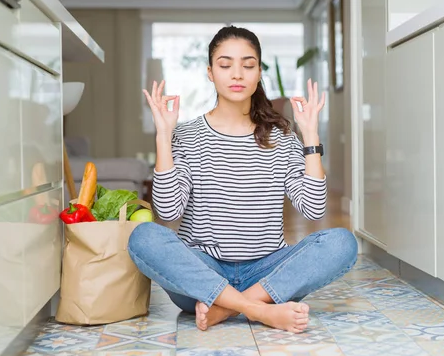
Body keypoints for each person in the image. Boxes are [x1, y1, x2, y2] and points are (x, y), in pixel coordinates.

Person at [128, 25, 358, 333]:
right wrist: (164, 136)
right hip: (204, 274)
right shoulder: (186, 135)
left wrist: (311, 136)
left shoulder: (283, 140)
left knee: (342, 243)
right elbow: (169, 212)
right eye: (225, 65)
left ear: (259, 72)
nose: (237, 74)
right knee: (143, 237)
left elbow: (313, 210)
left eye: (248, 65)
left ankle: (225, 308)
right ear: (210, 72)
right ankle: (258, 311)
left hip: (267, 273)